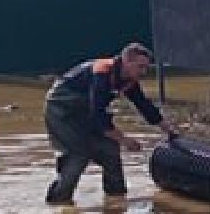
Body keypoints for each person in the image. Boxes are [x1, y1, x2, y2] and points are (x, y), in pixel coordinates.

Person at [43, 42, 180, 205]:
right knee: (78, 155)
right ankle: (59, 202)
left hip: (87, 111)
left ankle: (116, 199)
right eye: (140, 67)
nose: (143, 72)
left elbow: (144, 106)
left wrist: (169, 130)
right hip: (61, 110)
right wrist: (125, 139)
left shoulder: (129, 80)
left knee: (110, 150)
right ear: (126, 61)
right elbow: (98, 116)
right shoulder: (101, 72)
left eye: (146, 68)